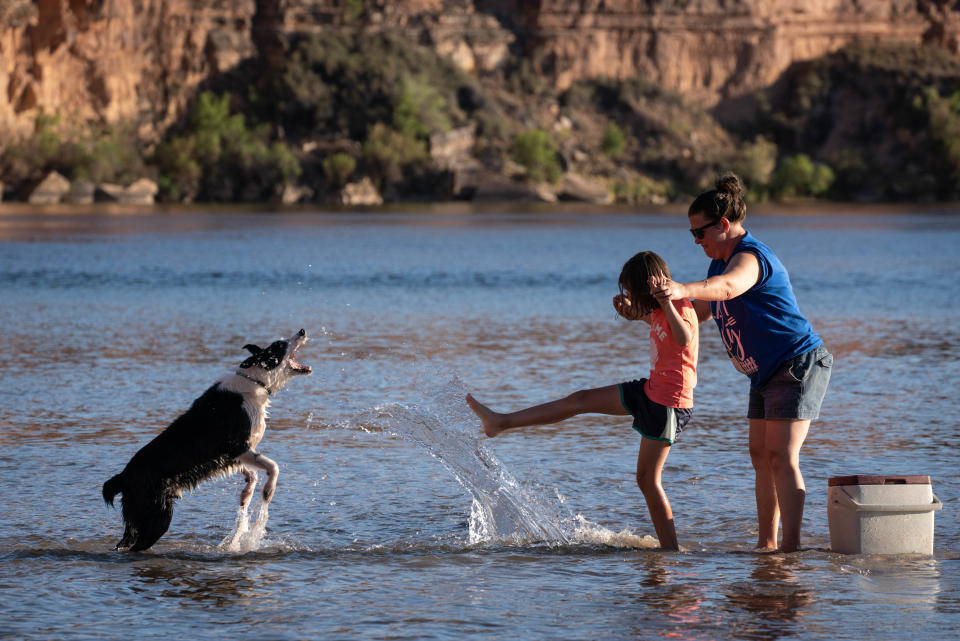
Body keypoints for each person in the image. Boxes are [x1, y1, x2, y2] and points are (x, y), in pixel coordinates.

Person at [466, 251, 699, 550]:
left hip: (669, 404)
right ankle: (501, 422)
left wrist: (665, 301)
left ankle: (671, 551)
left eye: (630, 290)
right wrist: (632, 313)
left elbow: (682, 338)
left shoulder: (680, 305)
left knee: (646, 479)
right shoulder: (657, 309)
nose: (627, 295)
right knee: (581, 399)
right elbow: (656, 323)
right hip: (651, 391)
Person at [651, 173, 832, 553]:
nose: (696, 241)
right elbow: (701, 311)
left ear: (723, 225)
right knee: (760, 456)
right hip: (763, 374)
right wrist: (650, 308)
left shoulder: (750, 257)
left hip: (796, 363)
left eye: (699, 233)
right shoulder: (718, 265)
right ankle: (767, 545)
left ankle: (792, 549)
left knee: (782, 456)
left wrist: (682, 287)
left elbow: (731, 288)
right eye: (692, 235)